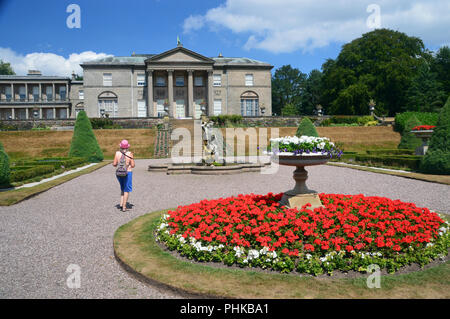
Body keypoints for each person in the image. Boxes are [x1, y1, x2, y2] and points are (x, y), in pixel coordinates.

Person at [113, 140, 135, 212]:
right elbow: (133, 165)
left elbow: (114, 164)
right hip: (127, 172)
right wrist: (131, 158)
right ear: (127, 147)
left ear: (120, 146)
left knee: (122, 188)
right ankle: (124, 207)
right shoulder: (129, 153)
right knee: (127, 189)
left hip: (119, 173)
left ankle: (121, 204)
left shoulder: (117, 153)